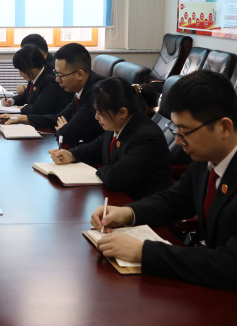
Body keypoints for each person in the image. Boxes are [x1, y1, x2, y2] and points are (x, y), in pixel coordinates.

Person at [91, 71, 237, 289]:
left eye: (185, 132)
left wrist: (143, 251)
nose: (177, 142)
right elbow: (175, 199)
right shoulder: (205, 159)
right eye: (176, 130)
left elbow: (231, 264)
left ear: (224, 127)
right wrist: (128, 213)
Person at [49, 78, 172, 200]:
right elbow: (96, 146)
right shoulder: (118, 123)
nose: (96, 117)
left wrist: (98, 170)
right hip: (118, 197)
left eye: (101, 113)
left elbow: (116, 178)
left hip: (139, 203)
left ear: (122, 112)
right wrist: (71, 155)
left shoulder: (146, 137)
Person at [0, 43, 105, 146]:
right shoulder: (82, 88)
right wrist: (20, 119)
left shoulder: (95, 94)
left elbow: (66, 134)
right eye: (56, 73)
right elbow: (58, 118)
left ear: (80, 74)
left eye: (60, 75)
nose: (57, 79)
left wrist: (62, 129)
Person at [2, 44, 69, 116]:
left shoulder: (50, 81)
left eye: (22, 70)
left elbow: (38, 109)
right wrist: (11, 101)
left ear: (34, 67)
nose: (20, 74)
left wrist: (24, 107)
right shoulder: (34, 77)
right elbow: (25, 96)